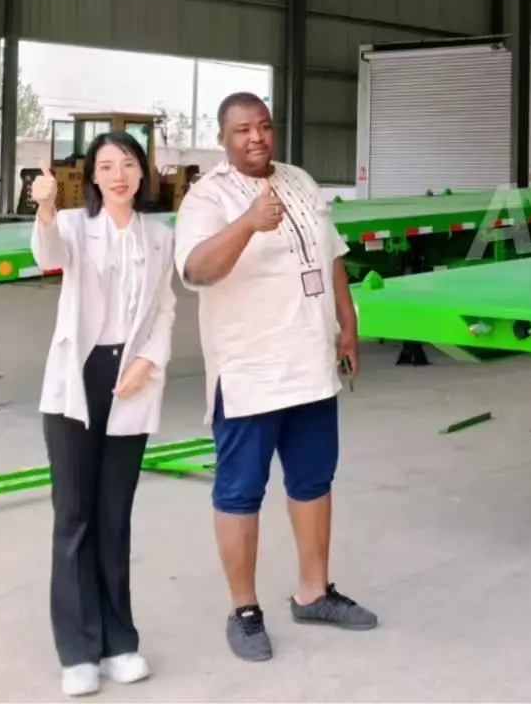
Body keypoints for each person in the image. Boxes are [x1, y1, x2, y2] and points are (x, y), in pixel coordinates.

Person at [173, 92, 376, 663]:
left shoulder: (300, 181)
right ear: (223, 137)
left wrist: (348, 324)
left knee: (313, 480)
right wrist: (248, 224)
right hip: (250, 373)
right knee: (241, 490)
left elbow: (332, 256)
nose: (257, 137)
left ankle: (314, 593)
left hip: (310, 365)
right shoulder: (207, 197)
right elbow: (196, 270)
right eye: (243, 130)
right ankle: (244, 611)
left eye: (264, 126)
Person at [31, 132, 178, 697]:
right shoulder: (73, 226)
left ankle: (119, 642)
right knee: (75, 515)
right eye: (107, 166)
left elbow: (165, 308)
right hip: (79, 377)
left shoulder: (159, 237)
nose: (119, 175)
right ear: (93, 176)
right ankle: (77, 650)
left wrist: (149, 359)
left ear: (143, 174)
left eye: (129, 164)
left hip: (130, 379)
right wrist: (46, 206)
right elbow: (48, 256)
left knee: (114, 516)